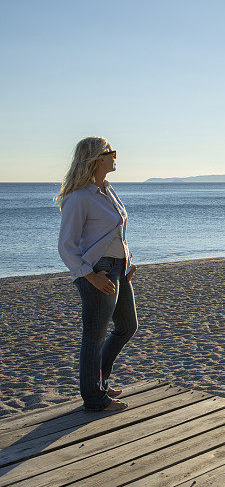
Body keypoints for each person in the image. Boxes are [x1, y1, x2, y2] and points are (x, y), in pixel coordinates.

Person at [56, 137, 138, 412]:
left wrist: (128, 261)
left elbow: (113, 232)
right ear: (97, 158)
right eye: (111, 152)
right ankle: (94, 398)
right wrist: (90, 276)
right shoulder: (78, 197)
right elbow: (66, 246)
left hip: (118, 267)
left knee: (127, 326)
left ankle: (100, 382)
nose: (116, 156)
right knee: (95, 334)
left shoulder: (107, 190)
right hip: (98, 270)